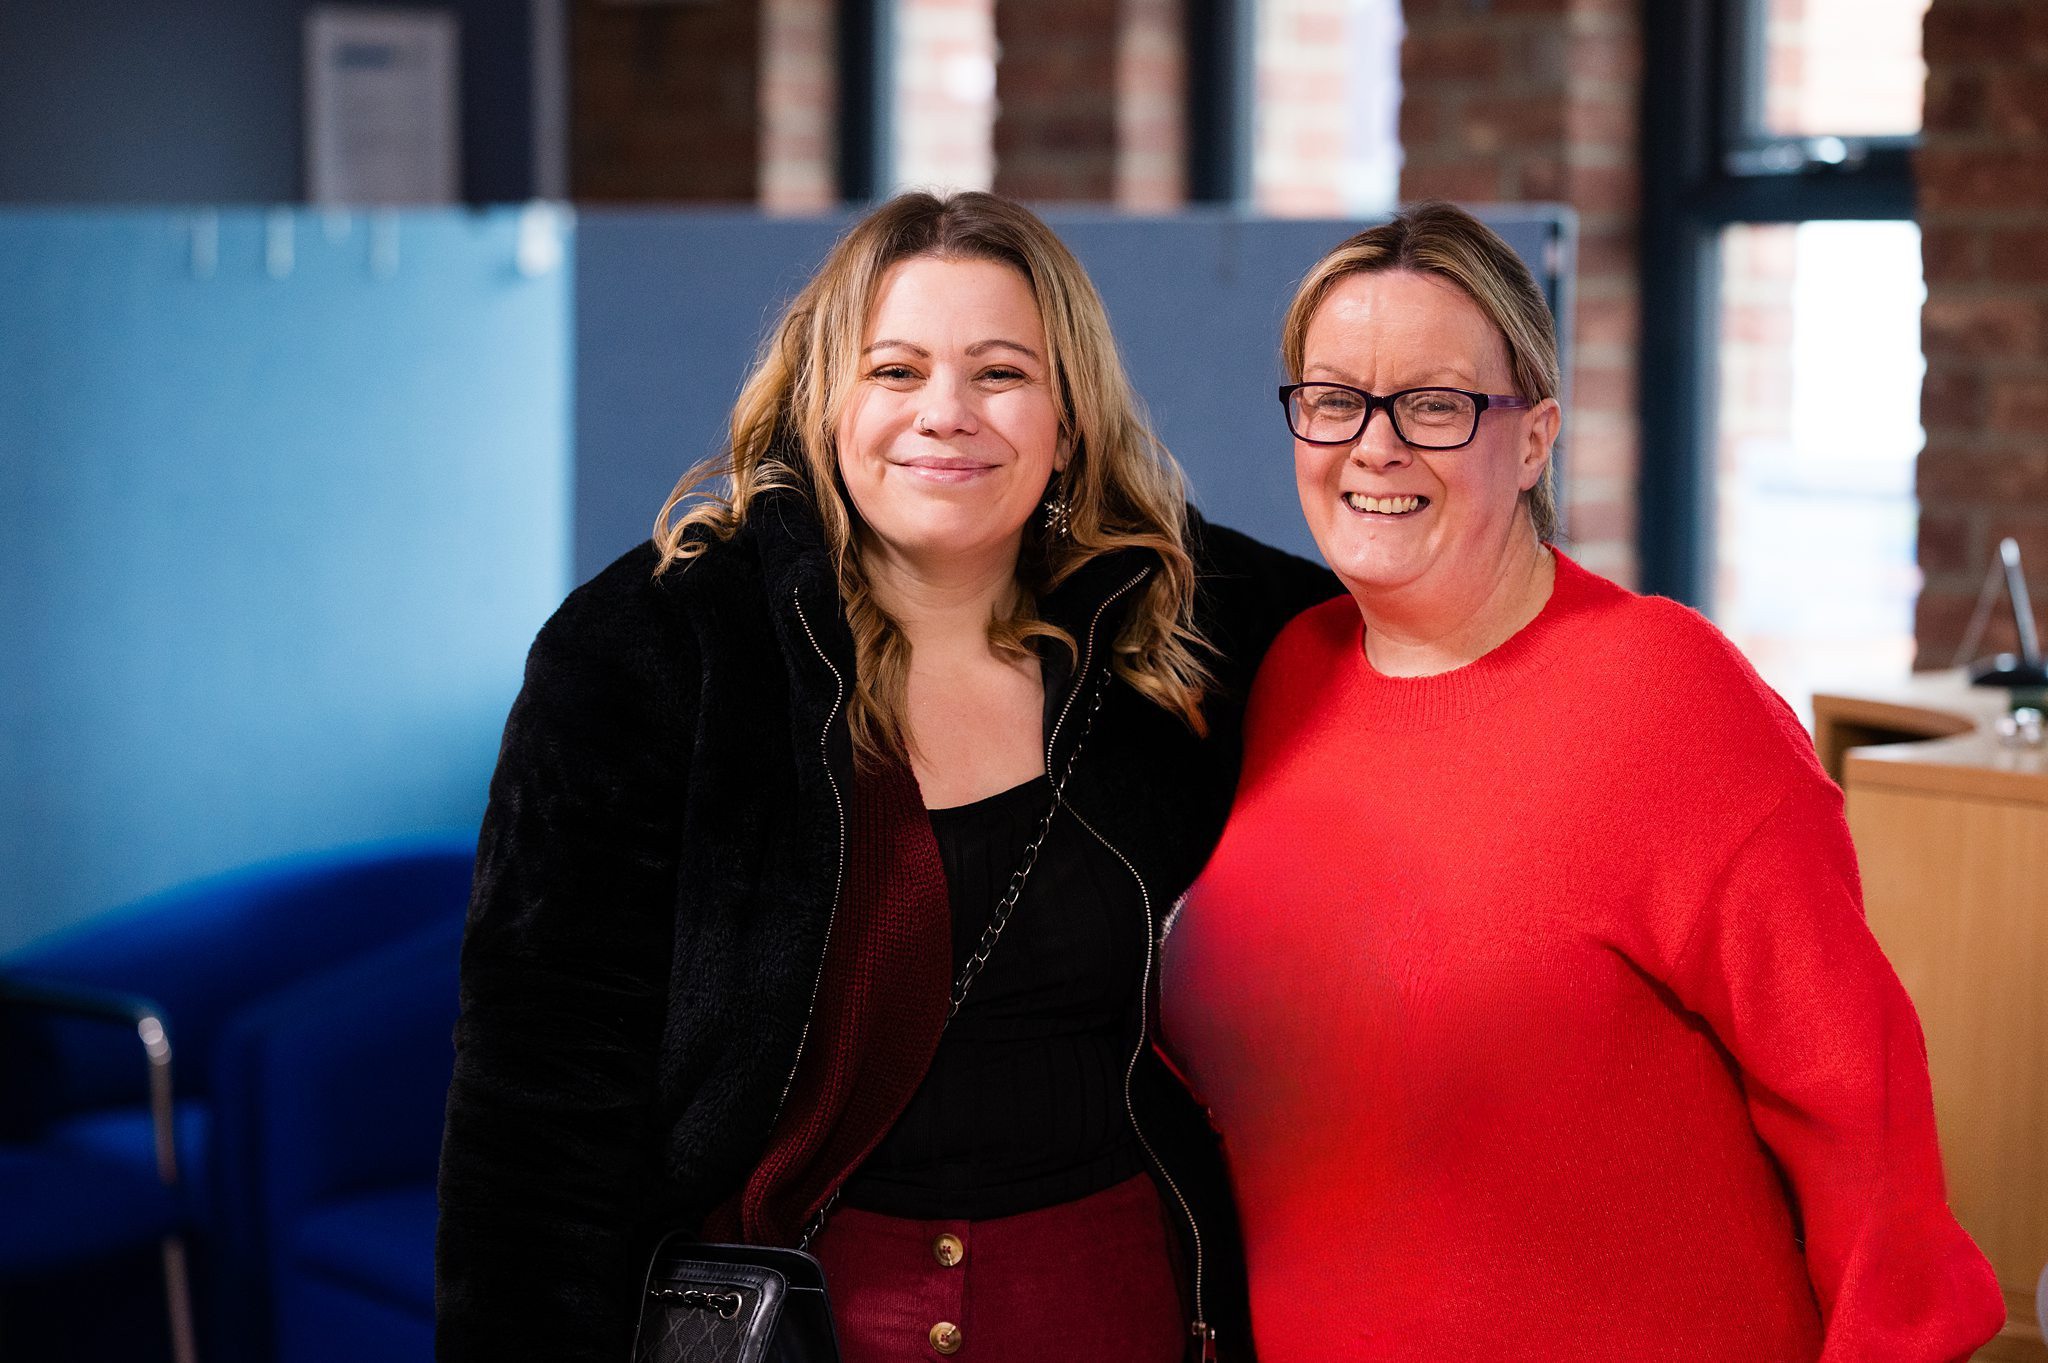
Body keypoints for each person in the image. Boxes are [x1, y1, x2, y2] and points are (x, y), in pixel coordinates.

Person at [436, 190, 1336, 1363]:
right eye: (895, 369)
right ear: (825, 401)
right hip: (795, 1319)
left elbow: (1419, 607)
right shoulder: (653, 654)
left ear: (1069, 416)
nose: (945, 415)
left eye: (1001, 372)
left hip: (1113, 1303)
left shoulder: (1173, 621)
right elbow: (536, 1111)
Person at [1159, 201, 2006, 1361]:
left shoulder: (1665, 693)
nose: (1375, 443)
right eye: (1333, 398)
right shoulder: (1286, 676)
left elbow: (1858, 1107)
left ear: (1533, 439)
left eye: (1436, 404)